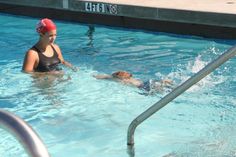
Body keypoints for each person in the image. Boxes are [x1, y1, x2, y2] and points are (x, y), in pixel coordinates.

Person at [93, 71, 173, 93]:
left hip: (144, 87)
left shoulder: (121, 79)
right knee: (165, 86)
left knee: (163, 89)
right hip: (148, 82)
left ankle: (166, 82)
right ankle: (167, 81)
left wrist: (94, 76)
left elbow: (106, 76)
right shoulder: (132, 78)